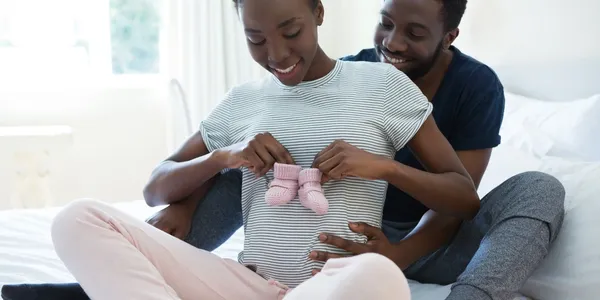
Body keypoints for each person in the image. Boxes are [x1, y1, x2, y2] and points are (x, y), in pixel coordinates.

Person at [1, 0, 566, 299]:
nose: (275, 52)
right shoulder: (245, 99)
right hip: (251, 281)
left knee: (380, 281)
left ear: (319, 13)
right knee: (77, 219)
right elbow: (155, 182)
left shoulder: (384, 86)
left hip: (348, 273)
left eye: (290, 30)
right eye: (255, 38)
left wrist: (383, 170)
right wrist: (222, 159)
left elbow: (462, 197)